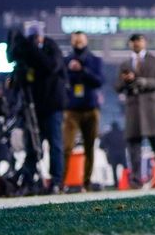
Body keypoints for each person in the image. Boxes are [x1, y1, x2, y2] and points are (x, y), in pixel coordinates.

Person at [10, 21, 68, 193]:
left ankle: (56, 181)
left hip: (52, 105)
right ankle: (29, 178)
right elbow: (16, 65)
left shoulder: (51, 48)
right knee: (32, 145)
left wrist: (33, 51)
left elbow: (50, 66)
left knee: (55, 143)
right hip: (33, 106)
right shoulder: (27, 51)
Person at [116, 33, 155, 187]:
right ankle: (135, 180)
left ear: (144, 42)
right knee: (134, 147)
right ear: (129, 44)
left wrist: (145, 82)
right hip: (133, 109)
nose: (136, 44)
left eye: (139, 40)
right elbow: (117, 87)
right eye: (133, 41)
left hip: (151, 108)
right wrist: (126, 81)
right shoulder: (125, 64)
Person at [62, 30, 104, 191]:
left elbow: (99, 81)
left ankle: (86, 183)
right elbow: (62, 80)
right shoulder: (66, 60)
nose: (78, 43)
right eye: (75, 40)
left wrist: (82, 70)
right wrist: (70, 71)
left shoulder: (94, 60)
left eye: (80, 40)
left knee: (89, 147)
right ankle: (61, 183)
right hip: (72, 109)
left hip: (91, 108)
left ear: (86, 41)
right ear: (72, 42)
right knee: (67, 146)